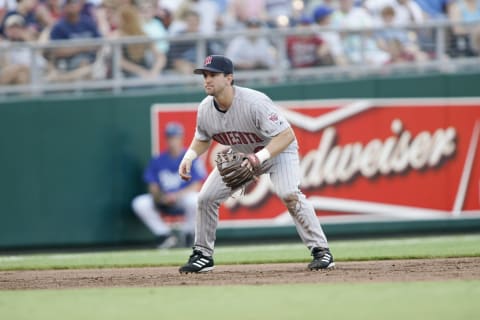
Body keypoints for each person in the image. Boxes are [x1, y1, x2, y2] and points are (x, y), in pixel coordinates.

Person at [177, 54, 335, 273]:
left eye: (213, 74)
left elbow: (286, 135)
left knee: (289, 193)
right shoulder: (205, 108)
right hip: (243, 157)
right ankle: (202, 254)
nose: (207, 79)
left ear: (229, 78)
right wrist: (189, 157)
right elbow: (203, 138)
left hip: (278, 152)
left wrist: (259, 158)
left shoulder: (254, 101)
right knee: (205, 198)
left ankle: (321, 251)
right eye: (204, 75)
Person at [132, 122, 207, 249]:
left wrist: (176, 196)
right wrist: (160, 197)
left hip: (182, 199)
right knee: (140, 203)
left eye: (175, 137)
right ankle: (164, 235)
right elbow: (152, 186)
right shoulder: (158, 160)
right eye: (170, 138)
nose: (173, 141)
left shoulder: (191, 158)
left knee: (196, 199)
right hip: (163, 200)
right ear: (166, 139)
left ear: (181, 138)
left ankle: (188, 234)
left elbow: (196, 185)